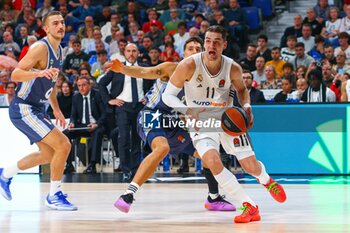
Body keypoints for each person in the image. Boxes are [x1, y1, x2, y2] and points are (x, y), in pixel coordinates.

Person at [162, 26, 286, 223]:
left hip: (227, 117)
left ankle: (266, 180)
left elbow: (242, 90)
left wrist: (246, 106)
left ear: (224, 45)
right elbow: (167, 96)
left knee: (250, 166)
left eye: (217, 42)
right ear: (204, 43)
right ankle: (249, 205)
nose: (212, 45)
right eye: (209, 41)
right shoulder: (188, 65)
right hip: (200, 120)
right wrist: (187, 110)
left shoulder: (233, 67)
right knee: (211, 161)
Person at [109, 37, 236, 213]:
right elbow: (147, 72)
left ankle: (213, 198)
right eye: (190, 48)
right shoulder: (172, 68)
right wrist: (124, 69)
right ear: (183, 53)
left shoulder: (206, 80)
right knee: (162, 148)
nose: (193, 51)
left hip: (178, 121)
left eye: (197, 48)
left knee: (209, 154)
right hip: (153, 114)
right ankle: (128, 194)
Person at [0, 11, 77, 211]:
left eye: (62, 22)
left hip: (37, 108)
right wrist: (39, 73)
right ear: (46, 28)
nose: (60, 26)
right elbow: (16, 74)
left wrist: (57, 110)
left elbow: (50, 84)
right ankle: (54, 195)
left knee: (49, 154)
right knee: (63, 145)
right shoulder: (39, 48)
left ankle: (5, 174)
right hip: (23, 107)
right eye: (55, 23)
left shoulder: (60, 50)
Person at [63, 77, 106, 174]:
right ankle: (69, 164)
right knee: (65, 134)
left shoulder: (97, 95)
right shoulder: (76, 97)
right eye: (79, 86)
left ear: (89, 85)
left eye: (83, 85)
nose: (81, 88)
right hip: (81, 125)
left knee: (98, 132)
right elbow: (73, 115)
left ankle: (93, 164)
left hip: (95, 125)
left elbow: (104, 114)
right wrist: (72, 123)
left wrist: (97, 124)